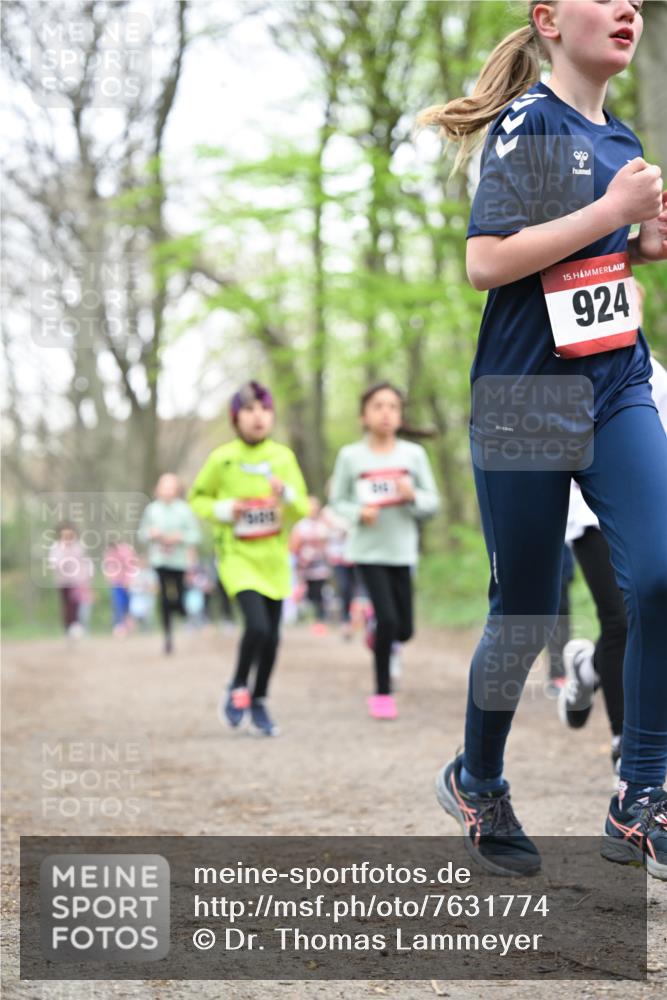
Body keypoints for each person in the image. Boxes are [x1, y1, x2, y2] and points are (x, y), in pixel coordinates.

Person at [418, 0, 667, 879]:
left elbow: (585, 255)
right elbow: (486, 262)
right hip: (527, 397)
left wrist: (639, 242)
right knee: (523, 613)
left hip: (615, 385)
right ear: (549, 20)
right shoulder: (528, 123)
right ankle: (476, 777)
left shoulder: (621, 131)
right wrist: (610, 207)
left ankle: (642, 793)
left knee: (662, 572)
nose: (629, 8)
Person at [558, 354, 667, 776]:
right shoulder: (562, 366)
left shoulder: (654, 374)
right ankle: (625, 740)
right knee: (620, 617)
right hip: (587, 516)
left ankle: (590, 667)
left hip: (647, 511)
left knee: (652, 611)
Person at [189, 381, 309, 736]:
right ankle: (238, 685)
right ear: (235, 418)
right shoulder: (222, 459)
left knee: (272, 636)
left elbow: (302, 506)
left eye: (264, 409)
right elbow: (198, 500)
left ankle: (259, 700)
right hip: (237, 557)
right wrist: (227, 509)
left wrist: (283, 493)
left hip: (274, 557)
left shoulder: (283, 458)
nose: (257, 416)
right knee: (255, 625)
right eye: (248, 410)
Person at [330, 382, 440, 720]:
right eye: (378, 406)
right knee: (388, 617)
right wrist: (358, 513)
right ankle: (381, 693)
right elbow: (338, 501)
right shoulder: (351, 456)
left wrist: (412, 496)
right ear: (364, 416)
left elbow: (432, 503)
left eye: (393, 406)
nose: (386, 412)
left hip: (402, 550)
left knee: (403, 629)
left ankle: (379, 635)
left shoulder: (413, 455)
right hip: (367, 550)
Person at [138, 474, 201, 654]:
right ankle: (167, 636)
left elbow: (195, 535)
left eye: (171, 487)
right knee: (164, 597)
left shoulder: (184, 510)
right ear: (158, 489)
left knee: (179, 598)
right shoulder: (152, 510)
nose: (167, 491)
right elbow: (141, 533)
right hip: (160, 560)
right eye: (164, 486)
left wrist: (179, 537)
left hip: (179, 561)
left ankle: (181, 610)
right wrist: (152, 533)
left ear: (177, 490)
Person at [290, 496, 332, 635]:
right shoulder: (301, 526)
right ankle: (306, 618)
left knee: (320, 593)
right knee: (308, 593)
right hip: (305, 567)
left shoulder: (323, 524)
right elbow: (293, 546)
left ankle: (320, 621)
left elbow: (329, 544)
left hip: (320, 566)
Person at [47, 523, 86, 639]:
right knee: (66, 605)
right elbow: (54, 562)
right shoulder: (57, 547)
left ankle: (75, 626)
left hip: (76, 581)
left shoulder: (78, 546)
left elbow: (83, 562)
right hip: (62, 581)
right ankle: (67, 628)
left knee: (75, 603)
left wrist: (84, 578)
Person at [102, 540, 138, 636]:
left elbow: (131, 566)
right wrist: (109, 577)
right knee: (118, 603)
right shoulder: (108, 553)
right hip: (116, 582)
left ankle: (128, 624)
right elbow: (107, 566)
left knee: (127, 605)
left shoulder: (125, 551)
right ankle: (120, 625)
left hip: (127, 583)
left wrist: (128, 581)